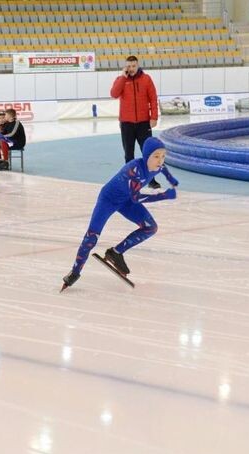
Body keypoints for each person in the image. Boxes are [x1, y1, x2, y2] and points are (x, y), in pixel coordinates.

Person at [61, 137, 178, 291]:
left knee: (151, 227)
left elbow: (163, 169)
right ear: (146, 156)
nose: (160, 160)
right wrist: (164, 195)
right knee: (91, 238)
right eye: (156, 156)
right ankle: (74, 273)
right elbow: (137, 198)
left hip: (126, 200)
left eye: (163, 156)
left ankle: (116, 253)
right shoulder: (134, 170)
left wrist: (172, 180)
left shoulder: (157, 166)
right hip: (108, 200)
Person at [111, 55, 161, 189]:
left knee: (148, 152)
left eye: (133, 66)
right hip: (126, 123)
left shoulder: (146, 79)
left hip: (143, 123)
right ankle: (131, 180)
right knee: (129, 154)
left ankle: (151, 180)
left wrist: (154, 117)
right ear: (125, 67)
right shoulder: (121, 80)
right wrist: (123, 78)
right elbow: (114, 94)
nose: (131, 68)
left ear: (137, 65)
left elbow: (153, 98)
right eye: (129, 66)